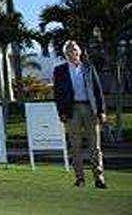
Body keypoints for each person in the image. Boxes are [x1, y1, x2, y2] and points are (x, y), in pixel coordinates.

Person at [53, 40, 107, 188]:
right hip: (72, 110)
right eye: (69, 50)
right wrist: (61, 112)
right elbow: (57, 94)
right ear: (66, 54)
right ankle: (80, 178)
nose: (73, 52)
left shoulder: (88, 68)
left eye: (75, 49)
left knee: (95, 146)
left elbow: (97, 90)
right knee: (75, 145)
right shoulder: (60, 70)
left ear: (80, 52)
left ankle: (99, 177)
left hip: (90, 108)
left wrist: (101, 110)